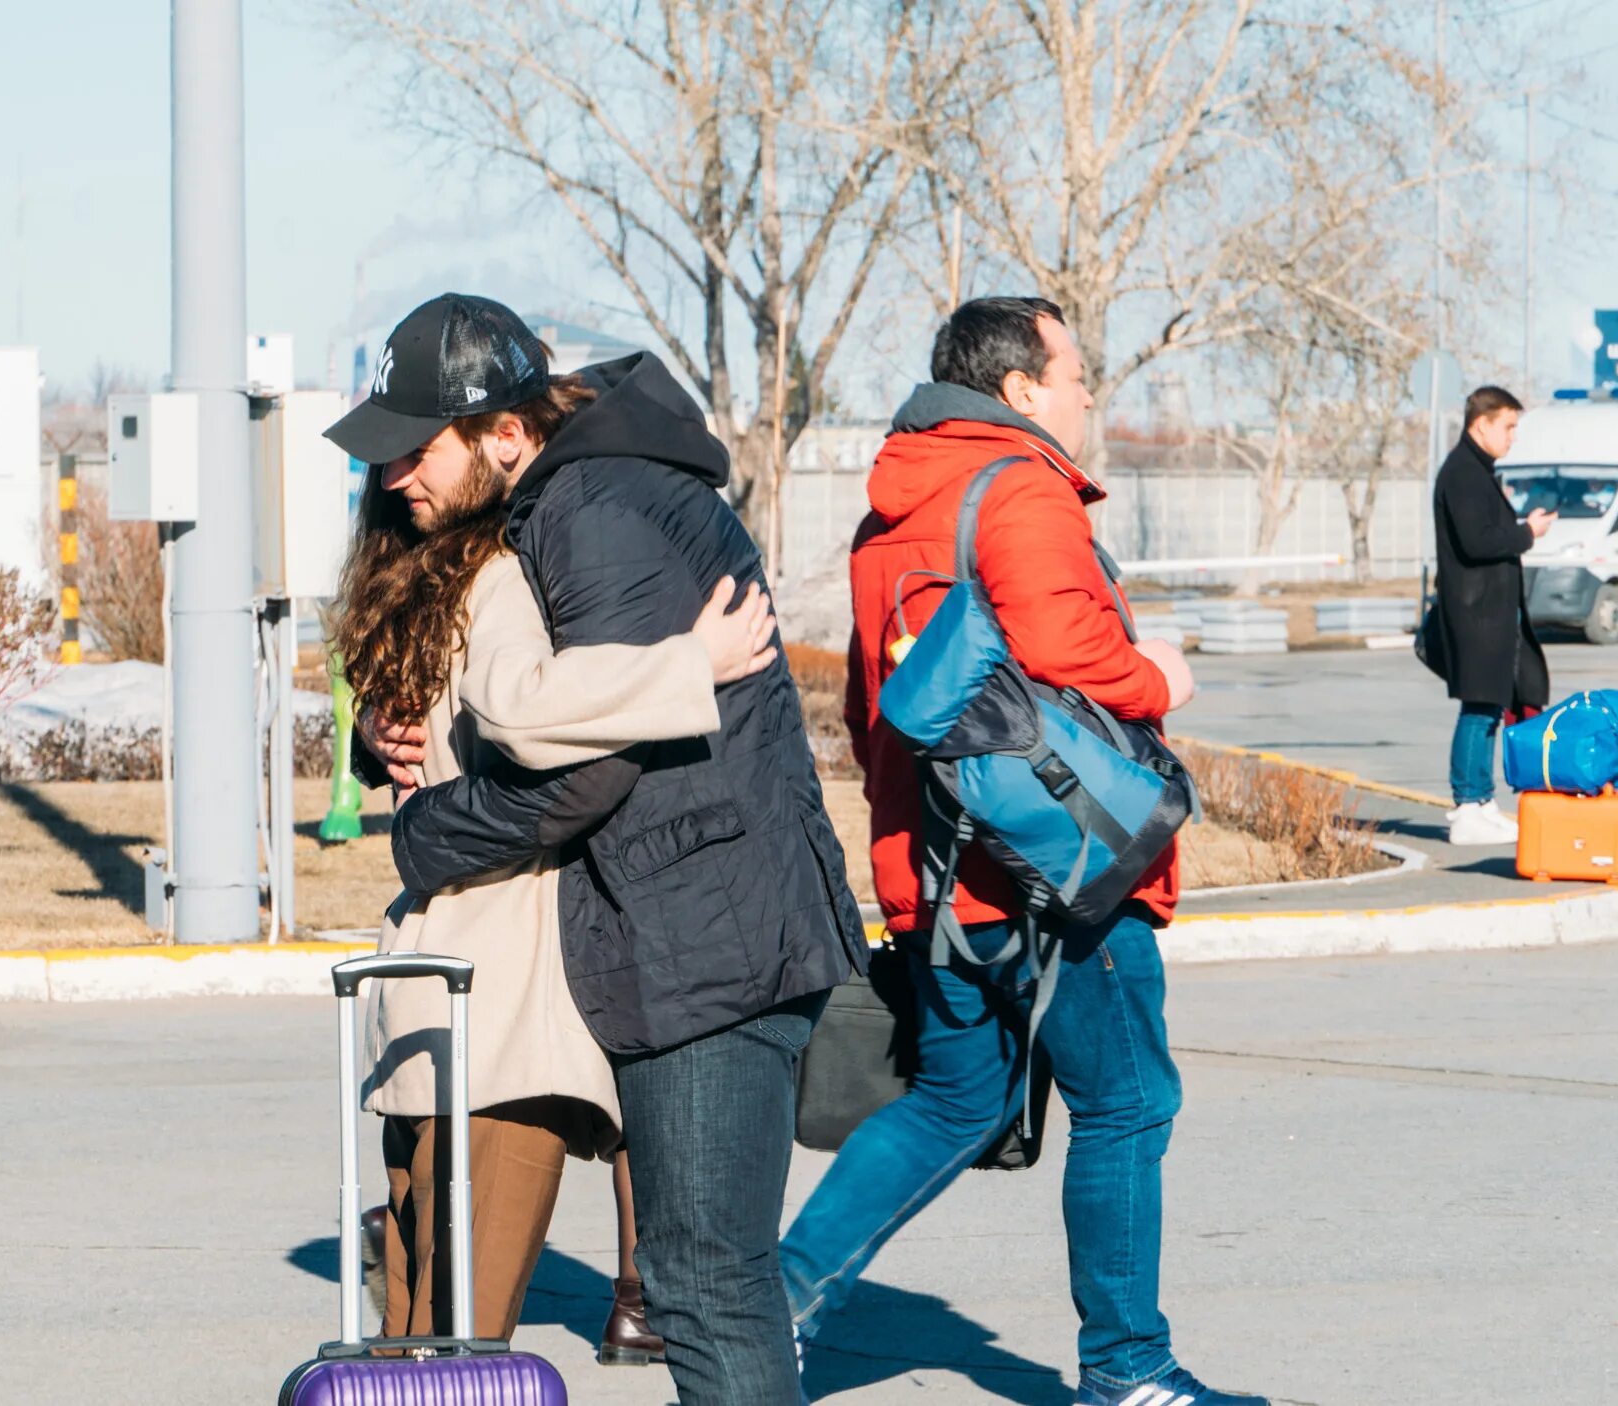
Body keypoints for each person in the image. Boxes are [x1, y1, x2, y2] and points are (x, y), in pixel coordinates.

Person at [349, 293, 867, 1404]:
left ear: (500, 433)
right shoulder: (570, 499)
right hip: (694, 935)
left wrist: (427, 830)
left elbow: (574, 762)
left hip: (706, 943)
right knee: (695, 1282)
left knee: (708, 1284)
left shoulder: (588, 508)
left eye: (414, 449)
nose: (396, 479)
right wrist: (375, 738)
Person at [778, 296, 1265, 1406]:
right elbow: (1071, 652)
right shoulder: (1020, 486)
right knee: (1128, 1101)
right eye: (1075, 373)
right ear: (1018, 391)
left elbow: (871, 711)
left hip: (942, 865)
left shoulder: (888, 511)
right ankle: (1128, 1369)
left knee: (957, 1098)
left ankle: (774, 1308)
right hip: (1065, 863)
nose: (1088, 393)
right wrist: (1162, 678)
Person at [1428, 385, 1555, 847]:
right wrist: (1527, 532)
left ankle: (1481, 802)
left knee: (1488, 707)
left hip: (1488, 612)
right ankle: (1468, 804)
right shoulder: (1462, 472)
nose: (1512, 437)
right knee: (1479, 709)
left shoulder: (1476, 470)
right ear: (1480, 424)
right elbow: (1478, 541)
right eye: (1508, 426)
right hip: (1475, 613)